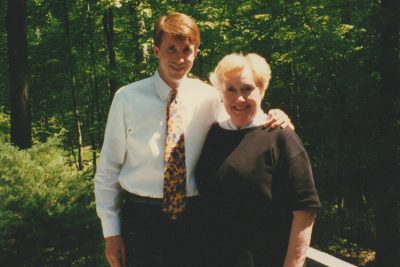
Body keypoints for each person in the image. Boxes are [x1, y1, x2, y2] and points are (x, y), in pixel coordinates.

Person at [94, 12, 293, 267]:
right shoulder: (127, 99)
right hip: (142, 220)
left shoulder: (209, 97)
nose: (179, 59)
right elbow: (108, 169)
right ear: (156, 50)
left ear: (196, 52)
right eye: (171, 49)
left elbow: (242, 123)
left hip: (196, 218)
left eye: (186, 50)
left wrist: (274, 116)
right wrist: (111, 232)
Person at [195, 53, 321, 267]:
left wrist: (294, 264)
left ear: (262, 90)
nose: (239, 99)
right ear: (221, 93)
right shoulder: (213, 134)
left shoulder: (280, 137)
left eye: (247, 89)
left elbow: (305, 210)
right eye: (231, 90)